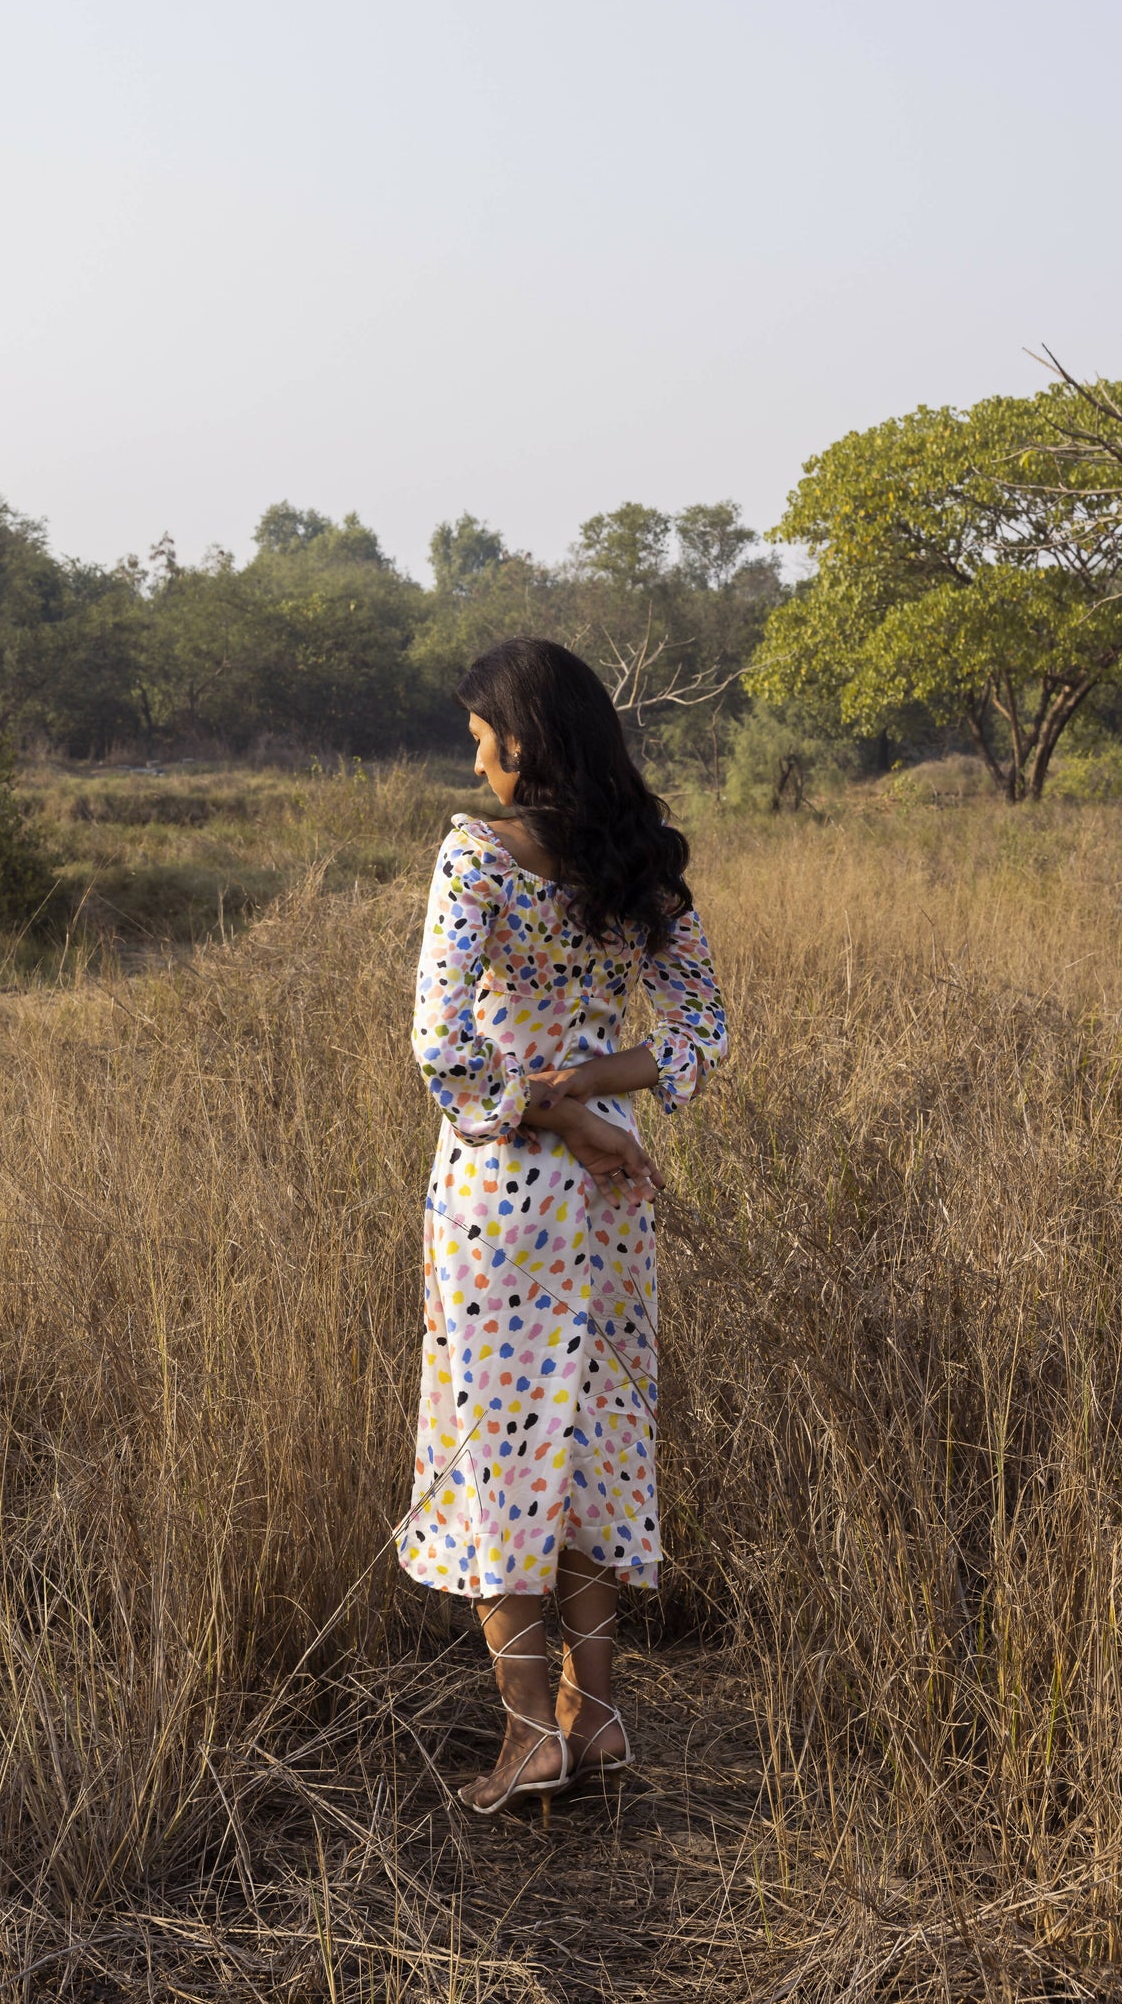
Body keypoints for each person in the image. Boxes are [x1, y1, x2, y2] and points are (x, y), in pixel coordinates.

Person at [399, 636, 728, 1821]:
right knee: (585, 1437)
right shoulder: (630, 857)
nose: (474, 758)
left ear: (523, 741)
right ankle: (600, 1718)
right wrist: (602, 1092)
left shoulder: (475, 862)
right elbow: (701, 1030)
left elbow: (444, 1047)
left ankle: (530, 1736)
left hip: (503, 1198)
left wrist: (555, 1107)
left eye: (481, 736)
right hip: (604, 1203)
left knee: (498, 1452)